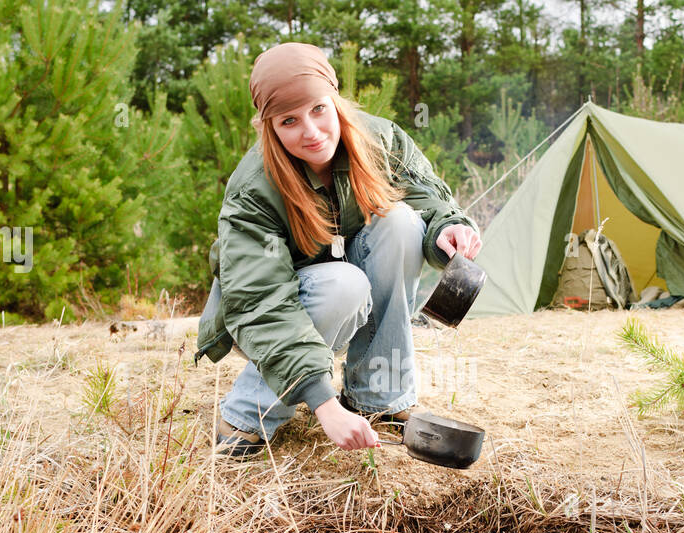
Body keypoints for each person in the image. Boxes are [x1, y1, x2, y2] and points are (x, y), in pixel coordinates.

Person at [195, 42, 482, 457]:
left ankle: (378, 397)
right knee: (343, 286)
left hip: (342, 289)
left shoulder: (379, 139)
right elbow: (259, 302)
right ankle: (246, 415)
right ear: (268, 126)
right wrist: (324, 404)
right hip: (271, 313)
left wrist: (448, 228)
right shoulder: (253, 189)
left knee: (400, 223)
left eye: (318, 109)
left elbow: (428, 200)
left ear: (334, 99)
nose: (310, 132)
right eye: (289, 120)